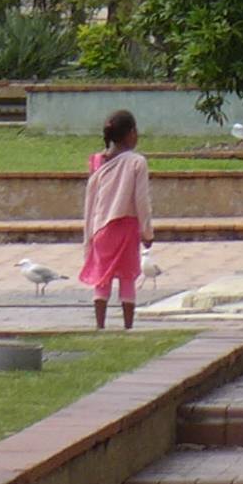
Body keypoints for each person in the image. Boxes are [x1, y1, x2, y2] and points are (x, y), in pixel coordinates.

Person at [81, 109, 153, 330]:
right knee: (127, 278)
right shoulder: (137, 162)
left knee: (101, 279)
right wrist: (147, 232)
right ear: (131, 133)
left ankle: (100, 326)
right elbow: (142, 200)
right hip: (127, 227)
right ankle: (128, 327)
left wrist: (89, 236)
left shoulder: (97, 161)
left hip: (101, 229)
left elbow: (90, 202)